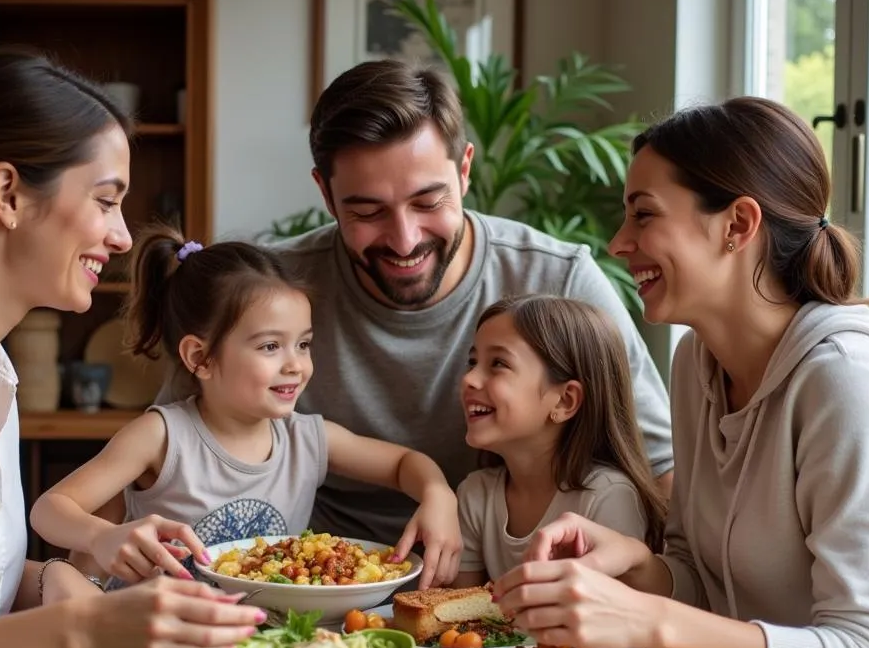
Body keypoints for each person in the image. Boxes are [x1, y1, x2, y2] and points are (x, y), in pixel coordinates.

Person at [0, 49, 264, 648]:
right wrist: (84, 626)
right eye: (105, 200)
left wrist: (68, 576)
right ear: (9, 194)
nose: (123, 237)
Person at [491, 96, 869, 648]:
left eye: (644, 215)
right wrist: (637, 566)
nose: (618, 244)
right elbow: (702, 574)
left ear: (737, 224)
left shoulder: (842, 381)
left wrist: (649, 618)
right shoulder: (698, 360)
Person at [259, 58, 674, 545]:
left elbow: (659, 464)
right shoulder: (271, 290)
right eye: (368, 211)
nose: (404, 240)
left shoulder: (558, 278)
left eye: (428, 203)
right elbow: (185, 441)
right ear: (326, 195)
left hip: (508, 578)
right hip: (311, 577)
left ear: (465, 171)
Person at [30, 228, 463, 588]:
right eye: (271, 346)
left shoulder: (306, 438)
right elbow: (50, 509)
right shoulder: (162, 436)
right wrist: (102, 537)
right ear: (200, 358)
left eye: (304, 344)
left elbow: (405, 462)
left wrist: (437, 493)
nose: (295, 364)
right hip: (157, 638)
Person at [454, 295, 665, 587]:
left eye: (498, 363)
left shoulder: (608, 496)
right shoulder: (475, 494)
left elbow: (614, 619)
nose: (469, 379)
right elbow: (455, 619)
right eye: (473, 362)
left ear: (565, 401)